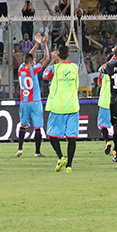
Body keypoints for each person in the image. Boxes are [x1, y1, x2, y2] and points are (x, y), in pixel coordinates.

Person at [43, 45, 80, 173]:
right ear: (69, 55)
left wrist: (53, 61)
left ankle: (61, 157)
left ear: (58, 55)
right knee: (72, 137)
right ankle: (69, 166)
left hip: (58, 106)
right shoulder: (75, 68)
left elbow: (45, 76)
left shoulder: (55, 68)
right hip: (72, 106)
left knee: (51, 135)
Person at [16, 34, 49, 158]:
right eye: (34, 60)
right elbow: (46, 58)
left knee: (23, 125)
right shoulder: (33, 69)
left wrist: (36, 44)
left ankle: (20, 148)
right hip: (35, 101)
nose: (35, 61)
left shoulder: (21, 69)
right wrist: (44, 44)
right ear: (32, 62)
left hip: (24, 101)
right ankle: (37, 152)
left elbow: (28, 57)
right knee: (38, 126)